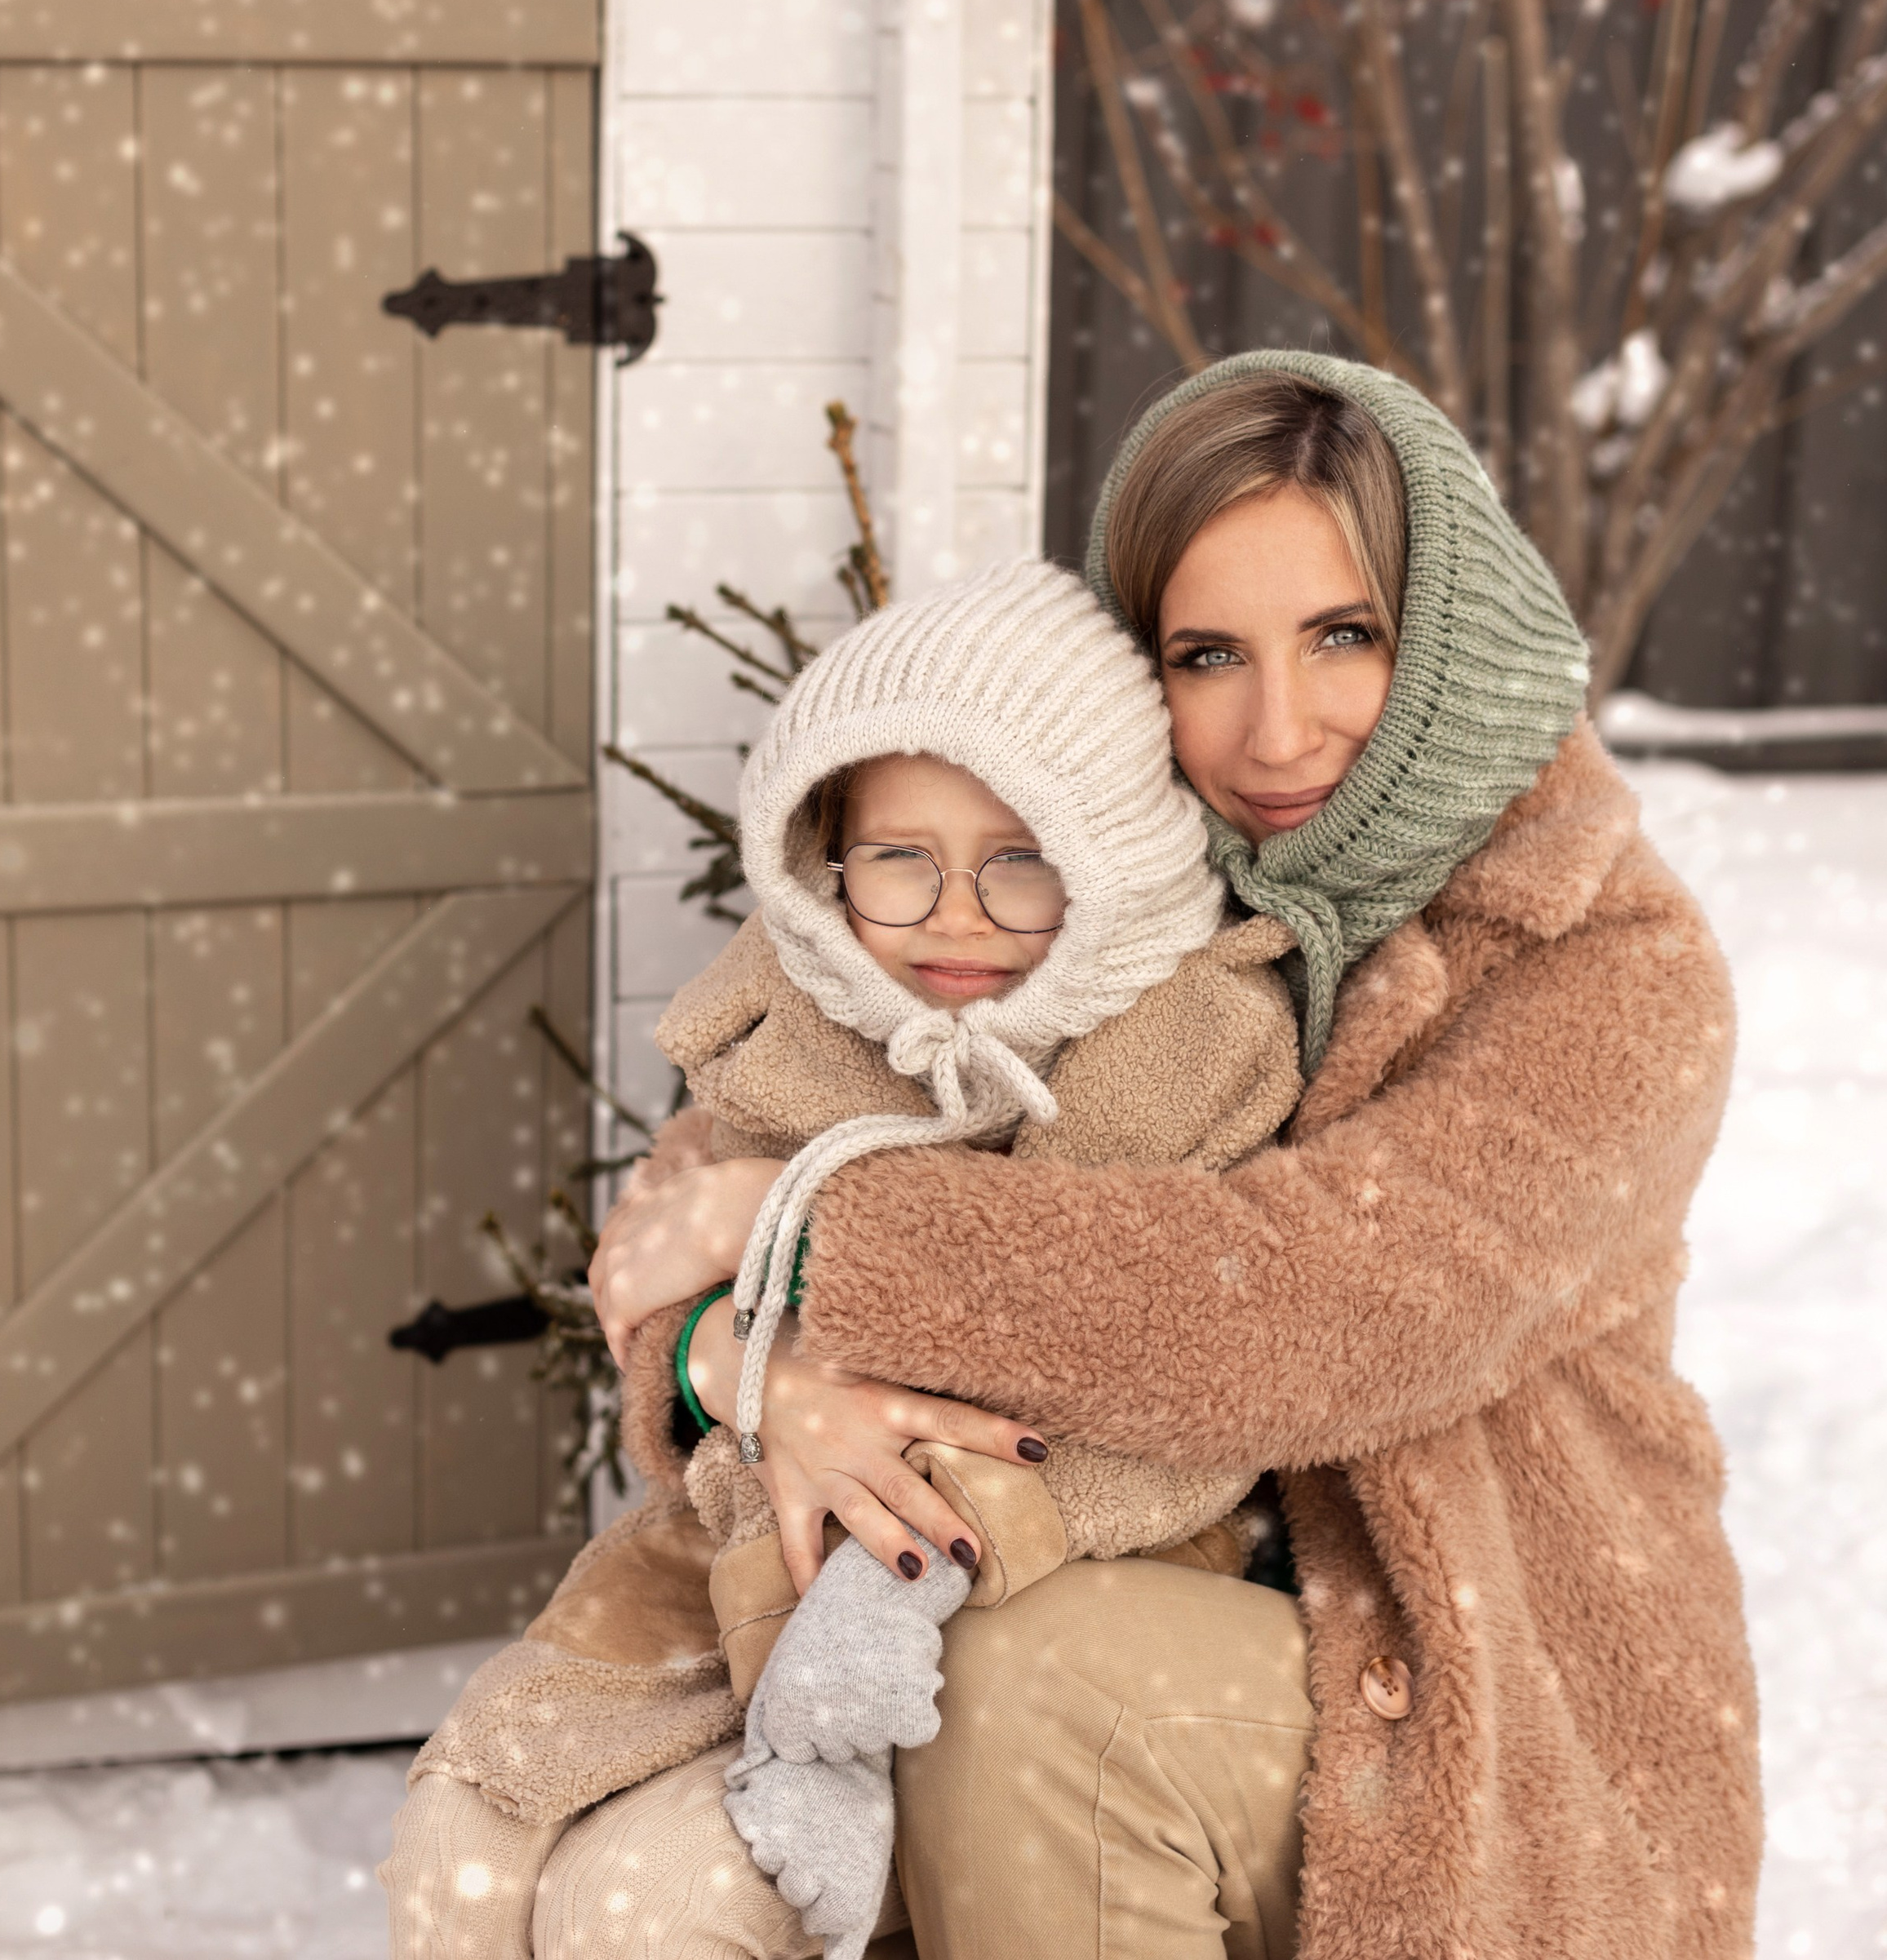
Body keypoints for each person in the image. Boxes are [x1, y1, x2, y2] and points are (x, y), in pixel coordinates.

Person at [593, 353, 1763, 1959]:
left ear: (1445, 632)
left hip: (1480, 1707)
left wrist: (810, 1241)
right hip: (1077, 1612)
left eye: (1341, 633)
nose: (1276, 727)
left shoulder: (1611, 971)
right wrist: (745, 1367)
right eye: (1206, 652)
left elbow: (1305, 1312)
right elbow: (704, 1190)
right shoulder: (1104, 868)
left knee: (1034, 1679)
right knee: (627, 1897)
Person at [381, 559, 1310, 1958]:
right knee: (454, 1861)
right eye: (897, 859)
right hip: (725, 1567)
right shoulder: (797, 1015)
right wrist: (739, 1377)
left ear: (1110, 855)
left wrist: (898, 1552)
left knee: (641, 1911)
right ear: (827, 859)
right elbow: (651, 1305)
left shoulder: (1190, 1052)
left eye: (1017, 861)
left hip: (973, 1615)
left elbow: (1180, 1371)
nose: (952, 913)